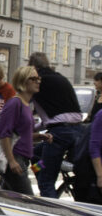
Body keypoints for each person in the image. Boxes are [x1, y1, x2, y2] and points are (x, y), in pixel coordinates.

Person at [29, 51, 83, 198]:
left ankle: (53, 213)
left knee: (46, 182)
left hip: (59, 134)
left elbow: (21, 102)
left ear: (33, 67)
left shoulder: (38, 82)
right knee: (35, 153)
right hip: (77, 130)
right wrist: (34, 128)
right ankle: (47, 165)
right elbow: (55, 117)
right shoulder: (60, 78)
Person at [0, 65, 52, 196]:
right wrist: (11, 161)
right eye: (33, 79)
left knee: (8, 200)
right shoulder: (15, 103)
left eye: (38, 78)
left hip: (23, 159)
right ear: (22, 81)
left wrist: (39, 136)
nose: (38, 81)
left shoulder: (27, 104)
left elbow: (21, 134)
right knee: (28, 201)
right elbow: (4, 133)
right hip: (16, 159)